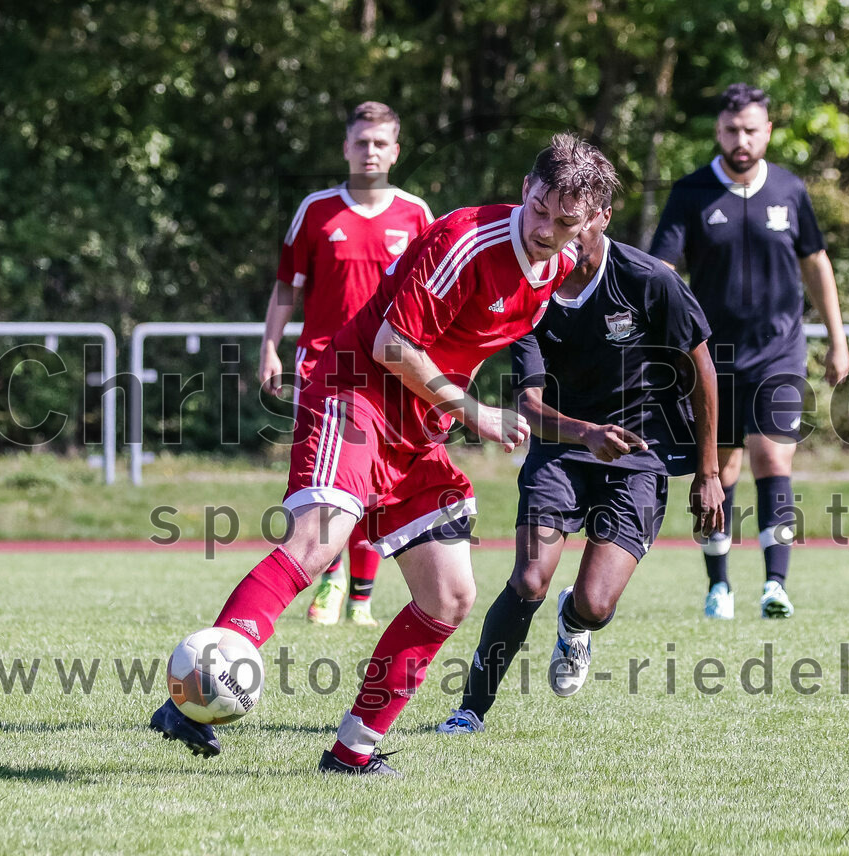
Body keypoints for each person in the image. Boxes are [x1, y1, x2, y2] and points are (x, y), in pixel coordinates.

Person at [150, 132, 619, 776]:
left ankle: (352, 752)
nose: (545, 229)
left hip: (416, 433)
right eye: (538, 208)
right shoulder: (466, 240)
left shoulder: (561, 265)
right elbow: (391, 344)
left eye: (564, 222)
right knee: (319, 538)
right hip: (355, 395)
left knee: (449, 596)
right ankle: (193, 699)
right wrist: (474, 412)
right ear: (525, 190)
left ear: (591, 222)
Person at [436, 196, 724, 734]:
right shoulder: (531, 289)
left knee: (595, 603)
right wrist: (586, 433)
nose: (555, 233)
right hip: (561, 445)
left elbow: (702, 369)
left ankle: (575, 623)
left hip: (639, 454)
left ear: (602, 217)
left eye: (571, 221)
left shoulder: (649, 279)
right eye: (547, 218)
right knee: (528, 580)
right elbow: (529, 405)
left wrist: (708, 473)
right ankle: (469, 710)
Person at [649, 83, 849, 621]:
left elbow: (816, 263)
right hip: (710, 357)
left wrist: (838, 339)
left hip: (779, 351)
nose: (742, 140)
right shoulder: (691, 192)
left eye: (751, 130)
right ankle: (719, 585)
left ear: (768, 131)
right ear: (719, 132)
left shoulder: (790, 189)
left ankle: (775, 585)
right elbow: (661, 269)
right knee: (720, 466)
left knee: (772, 456)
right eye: (732, 130)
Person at [259, 101, 433, 628]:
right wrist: (269, 347)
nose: (370, 151)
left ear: (396, 151)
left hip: (389, 371)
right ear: (345, 148)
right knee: (324, 484)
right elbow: (287, 286)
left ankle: (360, 596)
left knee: (375, 485)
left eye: (380, 143)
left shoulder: (416, 215)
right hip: (322, 367)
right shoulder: (316, 210)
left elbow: (433, 296)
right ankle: (331, 578)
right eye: (361, 142)